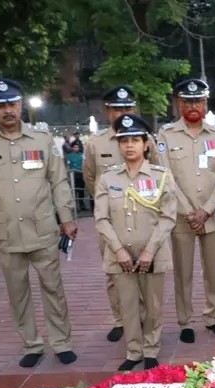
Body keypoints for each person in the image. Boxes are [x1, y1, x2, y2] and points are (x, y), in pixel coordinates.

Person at [0, 78, 78, 367]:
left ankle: (61, 341)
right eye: (1, 105)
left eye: (13, 104)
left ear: (21, 105)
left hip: (42, 228)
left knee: (53, 288)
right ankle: (31, 344)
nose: (8, 110)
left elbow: (58, 181)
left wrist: (66, 218)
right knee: (17, 292)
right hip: (6, 232)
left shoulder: (41, 139)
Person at [94, 114, 177, 371]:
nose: (129, 145)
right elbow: (101, 218)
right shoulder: (108, 178)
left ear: (146, 144)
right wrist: (118, 250)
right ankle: (133, 350)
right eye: (124, 140)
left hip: (153, 252)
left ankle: (151, 348)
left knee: (153, 305)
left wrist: (150, 250)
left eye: (135, 140)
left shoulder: (161, 176)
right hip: (120, 255)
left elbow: (168, 216)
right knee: (128, 305)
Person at [157, 78, 215, 342]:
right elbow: (166, 176)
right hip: (182, 217)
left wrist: (207, 210)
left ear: (205, 103)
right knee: (183, 271)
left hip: (210, 217)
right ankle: (185, 320)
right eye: (187, 101)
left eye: (198, 101)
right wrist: (190, 211)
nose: (193, 106)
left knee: (214, 271)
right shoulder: (166, 136)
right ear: (178, 103)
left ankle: (213, 317)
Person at [83, 85, 140, 342]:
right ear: (107, 111)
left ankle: (142, 317)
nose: (122, 113)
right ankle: (120, 319)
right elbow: (90, 177)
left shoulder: (143, 139)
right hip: (109, 219)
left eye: (127, 108)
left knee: (144, 270)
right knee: (113, 271)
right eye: (117, 108)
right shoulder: (95, 143)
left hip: (142, 216)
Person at [66, 141, 90, 211]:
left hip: (81, 174)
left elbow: (85, 164)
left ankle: (82, 206)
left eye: (77, 147)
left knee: (81, 191)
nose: (76, 148)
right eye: (75, 147)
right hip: (73, 175)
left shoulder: (82, 155)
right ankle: (75, 207)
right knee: (74, 191)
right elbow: (68, 166)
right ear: (72, 148)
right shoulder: (69, 156)